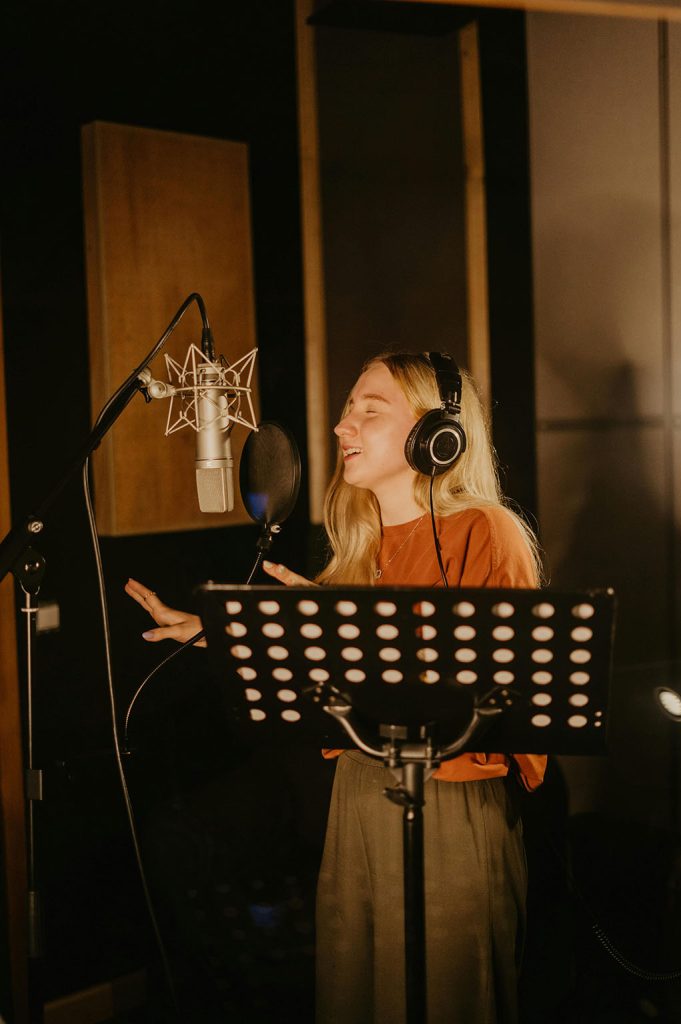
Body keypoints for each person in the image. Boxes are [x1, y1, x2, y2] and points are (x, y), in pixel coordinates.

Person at [126, 351, 546, 1024]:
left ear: (435, 434)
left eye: (368, 410)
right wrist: (219, 635)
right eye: (347, 408)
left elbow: (505, 696)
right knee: (360, 993)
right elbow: (334, 670)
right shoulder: (360, 546)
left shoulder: (485, 532)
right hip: (357, 792)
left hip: (448, 801)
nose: (342, 426)